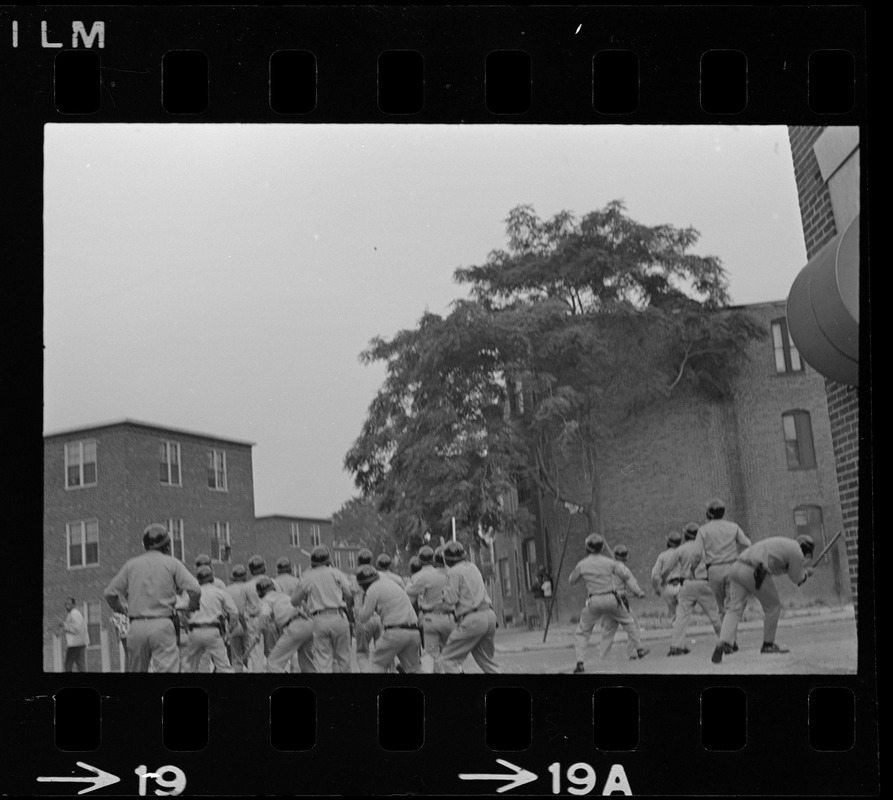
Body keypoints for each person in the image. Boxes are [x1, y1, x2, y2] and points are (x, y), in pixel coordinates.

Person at [104, 523, 201, 672]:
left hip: (136, 626)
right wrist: (192, 606)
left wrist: (122, 609)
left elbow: (109, 593)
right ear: (167, 545)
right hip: (163, 624)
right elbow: (195, 589)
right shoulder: (172, 563)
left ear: (145, 545)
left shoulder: (131, 565)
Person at [711, 535, 816, 663]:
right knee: (773, 607)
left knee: (734, 609)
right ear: (806, 550)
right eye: (808, 555)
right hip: (754, 572)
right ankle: (768, 644)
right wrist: (805, 574)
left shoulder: (784, 544)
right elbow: (796, 578)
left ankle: (723, 641)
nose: (805, 558)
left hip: (737, 567)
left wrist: (801, 572)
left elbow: (779, 568)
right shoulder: (797, 551)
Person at [569, 533, 648, 674]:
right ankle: (639, 649)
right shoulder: (610, 562)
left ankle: (580, 663)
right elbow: (625, 575)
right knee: (629, 621)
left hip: (594, 600)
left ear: (587, 548)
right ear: (602, 547)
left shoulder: (582, 564)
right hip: (612, 598)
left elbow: (572, 580)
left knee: (583, 632)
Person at [440, 541, 502, 674]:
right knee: (487, 662)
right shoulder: (473, 567)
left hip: (472, 619)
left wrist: (444, 593)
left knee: (447, 659)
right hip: (490, 616)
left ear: (447, 560)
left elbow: (451, 600)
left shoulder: (453, 572)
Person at [291, 545, 354, 673]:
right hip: (339, 616)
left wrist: (306, 604)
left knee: (323, 661)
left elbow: (294, 601)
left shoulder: (307, 576)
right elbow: (349, 594)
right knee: (344, 659)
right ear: (328, 559)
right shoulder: (336, 573)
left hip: (319, 618)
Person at [694, 499, 752, 637]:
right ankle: (731, 638)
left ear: (708, 513)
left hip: (714, 569)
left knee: (721, 608)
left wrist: (693, 569)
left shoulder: (703, 530)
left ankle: (725, 638)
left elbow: (696, 554)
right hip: (732, 566)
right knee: (731, 606)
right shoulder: (733, 526)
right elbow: (747, 543)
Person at [663, 523, 722, 656]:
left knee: (681, 617)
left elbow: (667, 567)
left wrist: (663, 580)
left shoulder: (681, 549)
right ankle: (727, 641)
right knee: (714, 614)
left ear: (685, 535)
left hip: (687, 584)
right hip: (704, 583)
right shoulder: (706, 548)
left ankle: (676, 646)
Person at [356, 566, 423, 674]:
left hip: (395, 632)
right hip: (413, 631)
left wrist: (357, 597)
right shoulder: (389, 582)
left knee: (376, 663)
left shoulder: (373, 589)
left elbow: (363, 617)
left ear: (363, 584)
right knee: (414, 669)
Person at [405, 545, 454, 673]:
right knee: (450, 653)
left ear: (419, 560)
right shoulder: (450, 574)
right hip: (450, 617)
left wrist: (408, 583)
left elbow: (410, 595)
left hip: (430, 617)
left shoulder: (421, 577)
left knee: (430, 654)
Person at [182, 566, 238, 673]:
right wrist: (228, 631)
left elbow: (180, 611)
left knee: (189, 667)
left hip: (195, 631)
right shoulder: (219, 592)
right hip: (214, 631)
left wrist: (186, 625)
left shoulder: (191, 593)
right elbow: (234, 614)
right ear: (212, 578)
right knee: (224, 667)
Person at [256, 576, 316, 673]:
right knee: (307, 663)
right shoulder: (284, 595)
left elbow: (264, 615)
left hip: (294, 627)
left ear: (260, 592)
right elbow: (303, 606)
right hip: (307, 624)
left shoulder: (267, 599)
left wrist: (258, 633)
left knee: (273, 663)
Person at [599, 544, 648, 661]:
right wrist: (639, 592)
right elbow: (631, 582)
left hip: (606, 601)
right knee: (633, 625)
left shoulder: (607, 568)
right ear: (626, 557)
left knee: (608, 631)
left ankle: (603, 658)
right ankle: (634, 651)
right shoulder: (623, 569)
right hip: (619, 601)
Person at [244, 554, 281, 672]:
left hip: (255, 620)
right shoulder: (273, 582)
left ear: (250, 570)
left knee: (256, 656)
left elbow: (240, 609)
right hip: (271, 619)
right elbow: (280, 600)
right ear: (264, 567)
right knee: (274, 652)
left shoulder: (246, 586)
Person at [352, 548, 381, 673]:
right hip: (379, 617)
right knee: (382, 654)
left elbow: (349, 597)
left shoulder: (354, 577)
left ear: (358, 561)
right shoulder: (377, 574)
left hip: (363, 618)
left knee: (362, 654)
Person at [651, 531, 684, 619]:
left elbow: (654, 575)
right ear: (680, 543)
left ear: (667, 543)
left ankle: (676, 631)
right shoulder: (684, 553)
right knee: (683, 615)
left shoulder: (662, 556)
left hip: (668, 587)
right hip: (682, 586)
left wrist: (657, 588)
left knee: (674, 615)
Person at [225, 564, 251, 672]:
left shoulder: (227, 590)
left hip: (233, 624)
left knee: (236, 658)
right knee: (251, 657)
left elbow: (224, 610)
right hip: (248, 624)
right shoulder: (250, 587)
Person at [59, 597, 88, 672]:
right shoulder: (73, 613)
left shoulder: (74, 613)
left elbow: (76, 629)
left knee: (68, 665)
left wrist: (64, 625)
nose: (67, 606)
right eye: (65, 604)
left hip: (75, 644)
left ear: (74, 605)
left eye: (69, 604)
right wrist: (64, 626)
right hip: (80, 643)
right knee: (81, 666)